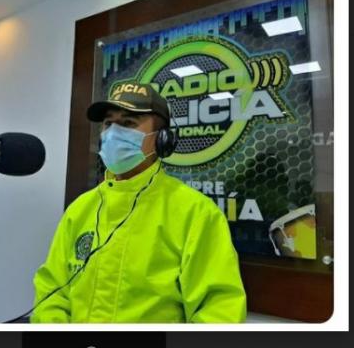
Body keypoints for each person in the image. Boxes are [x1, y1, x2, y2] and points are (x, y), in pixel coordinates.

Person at [30, 82, 247, 323]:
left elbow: (219, 312)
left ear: (161, 139)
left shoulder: (196, 214)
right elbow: (52, 291)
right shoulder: (81, 208)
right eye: (108, 124)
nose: (113, 133)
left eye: (128, 123)